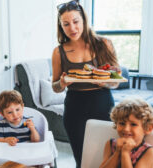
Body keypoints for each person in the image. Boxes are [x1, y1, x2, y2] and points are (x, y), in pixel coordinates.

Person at [52, 0, 120, 167]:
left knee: (106, 156)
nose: (72, 28)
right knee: (82, 159)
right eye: (66, 24)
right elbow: (55, 87)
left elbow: (116, 81)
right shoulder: (58, 51)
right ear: (61, 26)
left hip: (102, 103)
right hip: (75, 107)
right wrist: (61, 83)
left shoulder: (104, 44)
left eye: (76, 22)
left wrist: (103, 82)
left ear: (84, 20)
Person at [100, 98, 153, 168]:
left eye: (133, 124)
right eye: (122, 123)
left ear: (148, 128)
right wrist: (117, 152)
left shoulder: (149, 152)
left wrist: (125, 153)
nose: (126, 129)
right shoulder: (110, 144)